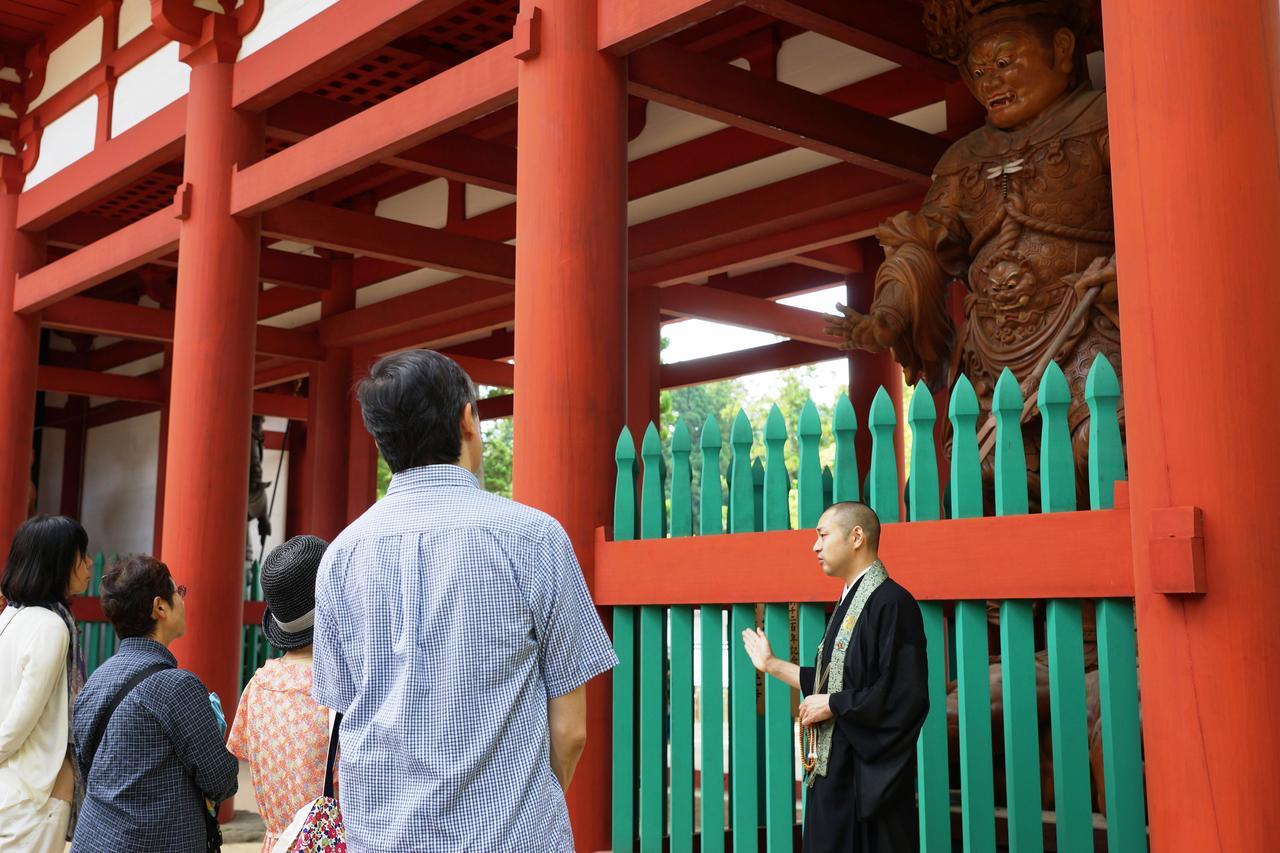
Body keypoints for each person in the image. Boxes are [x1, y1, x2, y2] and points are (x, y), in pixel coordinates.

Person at [313, 349, 617, 851]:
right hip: (509, 837)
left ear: (382, 438)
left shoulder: (341, 556)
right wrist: (526, 809)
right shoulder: (533, 537)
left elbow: (342, 716)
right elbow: (571, 731)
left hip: (382, 838)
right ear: (466, 419)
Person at [741, 501, 929, 852]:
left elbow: (905, 696)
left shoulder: (892, 603)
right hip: (833, 776)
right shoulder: (849, 603)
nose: (815, 546)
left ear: (856, 536)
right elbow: (833, 683)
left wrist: (834, 704)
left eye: (823, 535)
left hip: (863, 784)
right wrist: (771, 664)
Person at [70, 555, 238, 853]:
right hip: (155, 842)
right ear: (160, 607)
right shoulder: (178, 686)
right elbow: (221, 779)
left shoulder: (96, 680)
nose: (183, 600)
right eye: (179, 592)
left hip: (94, 840)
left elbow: (87, 767)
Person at [228, 534, 335, 853]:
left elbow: (243, 752)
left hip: (277, 843)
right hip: (328, 843)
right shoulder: (337, 690)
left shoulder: (258, 685)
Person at [0, 515, 93, 852]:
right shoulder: (51, 626)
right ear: (59, 562)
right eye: (81, 556)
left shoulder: (10, 617)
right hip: (35, 797)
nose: (89, 564)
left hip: (14, 790)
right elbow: (20, 719)